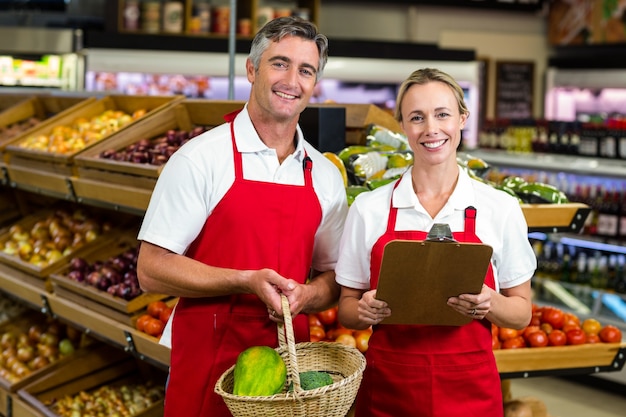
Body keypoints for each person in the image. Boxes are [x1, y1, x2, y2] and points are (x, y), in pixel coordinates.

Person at [136, 16, 348, 417]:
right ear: (252, 69)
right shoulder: (201, 159)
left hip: (291, 375)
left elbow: (334, 279)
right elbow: (151, 270)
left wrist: (307, 296)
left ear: (314, 84)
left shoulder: (324, 175)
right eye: (279, 63)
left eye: (306, 70)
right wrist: (244, 280)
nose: (292, 80)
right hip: (208, 360)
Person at [335, 68, 537, 417]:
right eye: (417, 117)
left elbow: (521, 315)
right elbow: (346, 310)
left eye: (442, 114)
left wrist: (489, 302)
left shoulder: (499, 208)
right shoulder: (369, 208)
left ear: (462, 118)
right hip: (390, 390)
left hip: (470, 391)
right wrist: (362, 310)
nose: (431, 128)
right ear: (402, 125)